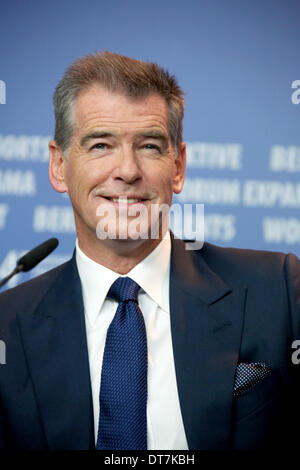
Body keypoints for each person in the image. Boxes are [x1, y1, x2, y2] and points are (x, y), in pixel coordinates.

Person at [0, 51, 299, 451]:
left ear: (178, 166)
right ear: (58, 166)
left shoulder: (277, 290)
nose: (127, 170)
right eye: (102, 145)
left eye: (150, 146)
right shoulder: (7, 326)